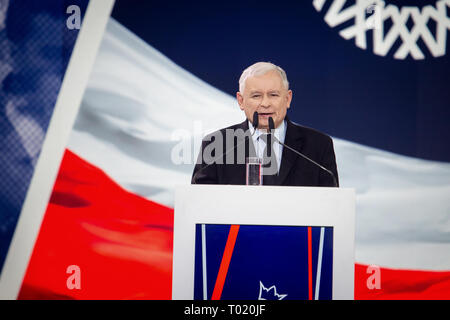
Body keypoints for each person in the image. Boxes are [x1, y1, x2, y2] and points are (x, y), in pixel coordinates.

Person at [191, 62, 339, 187]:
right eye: (256, 96)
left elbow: (331, 206)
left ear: (288, 99)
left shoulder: (319, 146)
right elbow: (200, 204)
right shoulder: (217, 145)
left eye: (273, 95)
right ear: (241, 101)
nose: (265, 104)